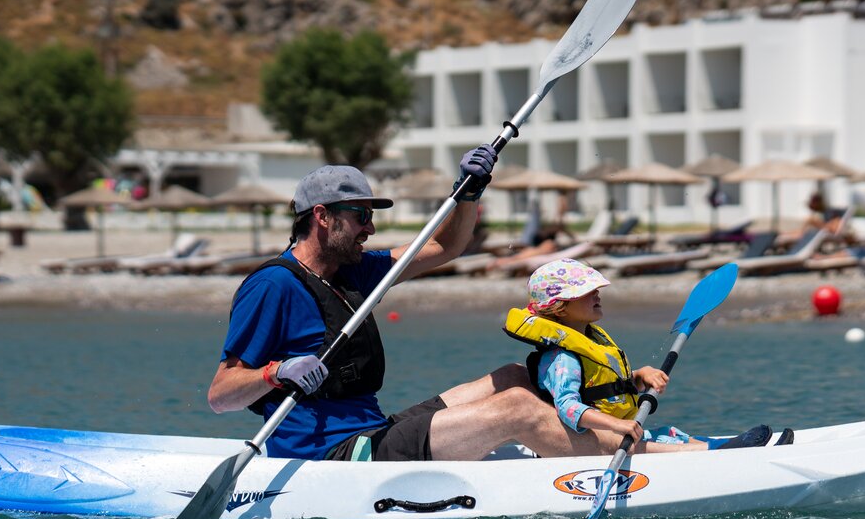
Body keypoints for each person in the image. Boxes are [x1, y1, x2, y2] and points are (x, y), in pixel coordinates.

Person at [207, 150, 664, 463]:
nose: (370, 227)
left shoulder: (355, 271)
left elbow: (446, 247)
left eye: (373, 216)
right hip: (332, 453)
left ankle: (569, 442)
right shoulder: (273, 286)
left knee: (513, 377)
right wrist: (276, 373)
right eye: (361, 216)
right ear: (323, 217)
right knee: (517, 408)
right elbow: (221, 395)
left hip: (374, 428)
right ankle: (647, 456)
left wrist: (468, 195)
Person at [506, 259, 785, 451]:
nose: (597, 293)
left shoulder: (592, 340)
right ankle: (725, 451)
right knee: (667, 443)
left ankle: (725, 447)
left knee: (672, 435)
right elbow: (568, 408)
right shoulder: (561, 358)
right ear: (560, 307)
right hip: (600, 441)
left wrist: (640, 376)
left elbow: (608, 388)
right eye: (586, 292)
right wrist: (616, 424)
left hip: (626, 429)